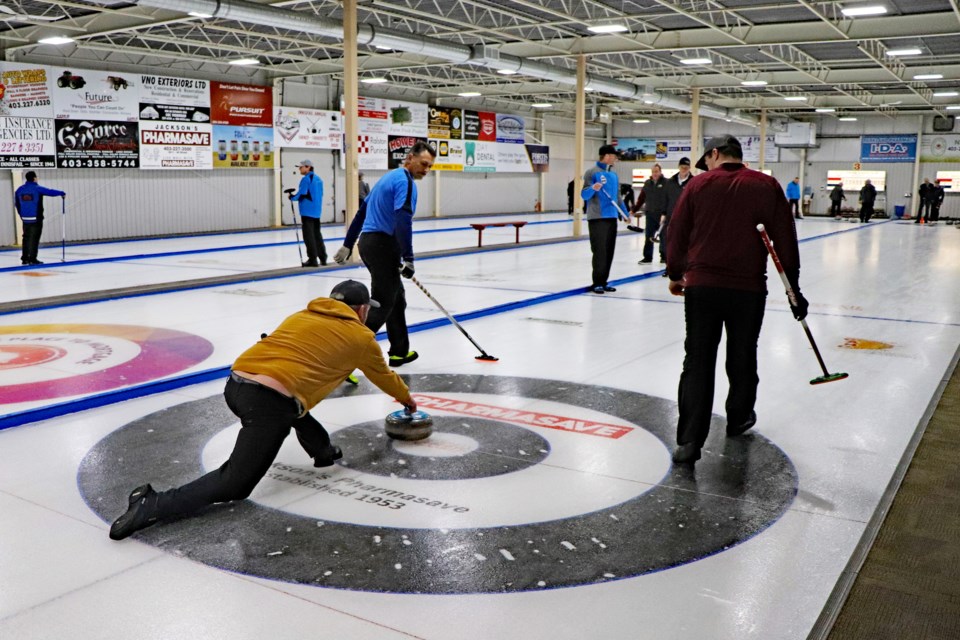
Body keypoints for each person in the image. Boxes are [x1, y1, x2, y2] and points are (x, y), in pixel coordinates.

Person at [108, 280, 417, 540]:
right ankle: (152, 504)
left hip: (236, 383)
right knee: (236, 483)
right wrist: (406, 400)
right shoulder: (361, 337)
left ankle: (323, 451)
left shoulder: (301, 316)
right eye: (367, 309)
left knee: (292, 406)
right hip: (268, 402)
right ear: (362, 310)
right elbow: (383, 376)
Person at [665, 135, 807, 465]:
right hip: (749, 290)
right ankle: (739, 417)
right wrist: (794, 289)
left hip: (702, 287)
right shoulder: (767, 185)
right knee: (742, 354)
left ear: (715, 154)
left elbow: (677, 231)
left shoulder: (698, 186)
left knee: (697, 360)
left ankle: (689, 441)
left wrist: (675, 273)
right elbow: (785, 239)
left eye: (707, 160)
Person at [333, 141, 436, 367]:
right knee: (383, 303)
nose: (426, 170)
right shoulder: (405, 183)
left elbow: (362, 213)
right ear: (410, 158)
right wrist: (408, 258)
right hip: (383, 245)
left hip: (369, 244)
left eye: (429, 167)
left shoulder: (388, 178)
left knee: (397, 299)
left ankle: (399, 351)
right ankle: (343, 360)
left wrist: (349, 244)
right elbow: (403, 220)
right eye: (423, 164)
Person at [582, 144, 628, 294]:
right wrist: (592, 188)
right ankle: (597, 282)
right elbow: (584, 195)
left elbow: (618, 197)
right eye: (614, 156)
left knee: (609, 251)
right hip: (597, 218)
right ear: (607, 156)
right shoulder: (592, 172)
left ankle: (604, 281)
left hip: (611, 217)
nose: (615, 158)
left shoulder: (614, 175)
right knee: (599, 251)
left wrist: (625, 213)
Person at [14, 171, 65, 266]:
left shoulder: (19, 190)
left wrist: (21, 215)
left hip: (25, 219)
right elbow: (50, 191)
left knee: (26, 238)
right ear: (34, 178)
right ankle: (32, 259)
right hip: (36, 218)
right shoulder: (37, 188)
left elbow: (16, 204)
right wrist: (61, 193)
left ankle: (25, 259)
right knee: (34, 238)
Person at [289, 159, 326, 267]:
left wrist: (292, 197)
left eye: (301, 167)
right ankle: (323, 258)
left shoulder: (306, 179)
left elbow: (302, 193)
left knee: (308, 236)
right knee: (317, 235)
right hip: (316, 211)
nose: (299, 169)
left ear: (308, 167)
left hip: (307, 211)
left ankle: (312, 259)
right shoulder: (319, 179)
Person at [661, 157, 692, 274]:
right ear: (679, 167)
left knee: (685, 243)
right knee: (669, 243)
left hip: (687, 218)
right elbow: (665, 199)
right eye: (682, 167)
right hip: (671, 217)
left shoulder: (693, 182)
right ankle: (670, 267)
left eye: (686, 167)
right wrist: (663, 213)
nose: (684, 169)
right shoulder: (670, 182)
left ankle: (685, 267)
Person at [633, 163, 668, 264]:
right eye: (653, 172)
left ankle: (664, 256)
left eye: (656, 171)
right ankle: (648, 257)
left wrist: (667, 212)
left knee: (663, 236)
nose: (655, 174)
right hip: (650, 214)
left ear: (660, 172)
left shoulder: (667, 183)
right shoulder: (647, 183)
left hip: (662, 214)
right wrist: (634, 210)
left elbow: (670, 197)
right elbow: (641, 198)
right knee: (648, 235)